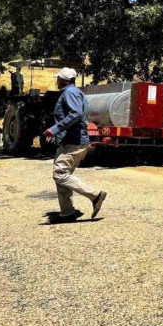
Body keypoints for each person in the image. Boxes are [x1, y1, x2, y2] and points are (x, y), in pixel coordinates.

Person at [43, 67, 107, 223]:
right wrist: (57, 134)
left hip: (73, 142)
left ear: (63, 80)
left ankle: (95, 195)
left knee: (60, 174)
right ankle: (67, 212)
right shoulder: (75, 92)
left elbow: (76, 113)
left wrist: (55, 129)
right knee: (63, 175)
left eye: (58, 78)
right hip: (69, 140)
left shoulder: (70, 93)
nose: (56, 81)